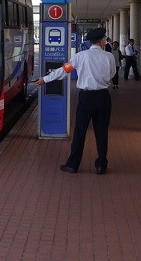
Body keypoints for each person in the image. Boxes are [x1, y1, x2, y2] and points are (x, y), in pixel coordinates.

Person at [34, 27, 116, 175]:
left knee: (80, 131)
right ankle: (101, 165)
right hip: (103, 97)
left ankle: (73, 164)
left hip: (86, 98)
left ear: (90, 42)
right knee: (102, 131)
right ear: (102, 41)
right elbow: (112, 74)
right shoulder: (109, 57)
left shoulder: (80, 56)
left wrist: (45, 79)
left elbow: (64, 70)